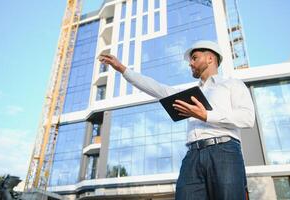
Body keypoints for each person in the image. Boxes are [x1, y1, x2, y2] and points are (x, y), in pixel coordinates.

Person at [99, 40, 255, 200]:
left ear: (210, 58)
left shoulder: (232, 84)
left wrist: (206, 115)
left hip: (224, 151)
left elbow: (248, 118)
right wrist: (122, 69)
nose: (190, 64)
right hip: (192, 155)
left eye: (194, 58)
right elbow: (157, 88)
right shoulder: (189, 94)